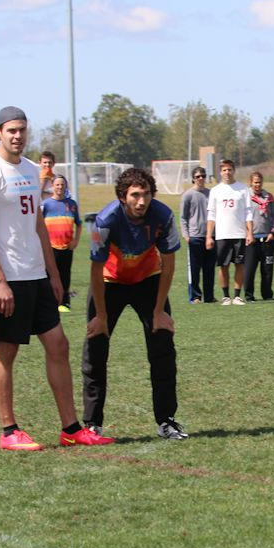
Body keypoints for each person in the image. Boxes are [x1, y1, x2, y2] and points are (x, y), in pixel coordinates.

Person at [0, 105, 113, 450]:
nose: (18, 136)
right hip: (7, 278)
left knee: (58, 345)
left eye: (22, 129)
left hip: (36, 275)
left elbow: (38, 225)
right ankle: (9, 431)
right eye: (11, 130)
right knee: (7, 351)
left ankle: (71, 429)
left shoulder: (32, 169)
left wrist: (53, 274)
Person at [82, 167, 187, 440]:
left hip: (148, 280)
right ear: (122, 197)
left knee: (163, 349)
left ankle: (167, 420)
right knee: (95, 350)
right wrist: (100, 316)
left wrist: (159, 310)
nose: (142, 201)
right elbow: (95, 270)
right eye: (135, 195)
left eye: (147, 194)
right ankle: (92, 423)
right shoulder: (104, 221)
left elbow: (169, 264)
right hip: (109, 282)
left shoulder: (163, 216)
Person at [206, 159, 252, 305]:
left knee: (239, 264)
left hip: (239, 234)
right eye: (224, 170)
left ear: (234, 171)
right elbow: (211, 214)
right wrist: (209, 236)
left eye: (229, 170)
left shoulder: (243, 189)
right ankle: (226, 296)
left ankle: (237, 296)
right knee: (223, 265)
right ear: (220, 172)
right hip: (222, 234)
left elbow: (248, 212)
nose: (227, 172)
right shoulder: (215, 191)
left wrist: (250, 232)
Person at [41, 174, 81, 311]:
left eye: (62, 185)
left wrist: (76, 240)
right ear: (52, 186)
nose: (60, 187)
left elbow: (79, 224)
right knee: (50, 275)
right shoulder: (46, 205)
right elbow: (39, 225)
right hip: (50, 247)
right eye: (57, 184)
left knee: (65, 275)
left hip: (67, 246)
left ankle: (64, 302)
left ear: (66, 186)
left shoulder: (72, 204)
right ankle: (49, 302)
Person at [180, 166, 214, 303]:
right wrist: (186, 235)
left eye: (203, 176)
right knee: (194, 269)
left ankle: (209, 296)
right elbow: (183, 217)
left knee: (209, 268)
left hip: (210, 236)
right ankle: (195, 296)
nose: (201, 178)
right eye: (198, 176)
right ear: (193, 178)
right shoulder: (188, 195)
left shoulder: (211, 193)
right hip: (195, 236)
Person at [243, 171, 274, 302]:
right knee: (250, 269)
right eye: (255, 182)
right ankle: (249, 295)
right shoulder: (246, 197)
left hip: (267, 239)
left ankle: (267, 294)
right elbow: (242, 217)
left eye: (259, 182)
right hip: (251, 239)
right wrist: (248, 233)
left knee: (267, 269)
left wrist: (272, 232)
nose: (257, 185)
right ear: (251, 183)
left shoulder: (268, 197)